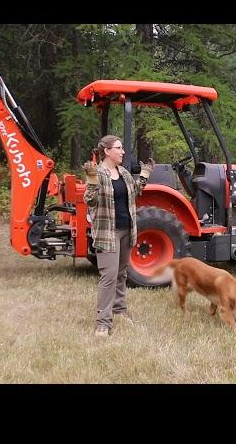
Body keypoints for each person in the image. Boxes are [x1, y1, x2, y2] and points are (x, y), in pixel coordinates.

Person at [83, 135, 155, 337]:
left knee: (122, 273)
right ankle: (103, 323)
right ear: (106, 151)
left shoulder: (122, 172)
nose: (123, 152)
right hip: (108, 232)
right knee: (109, 276)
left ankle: (120, 310)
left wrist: (145, 174)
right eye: (118, 148)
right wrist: (91, 180)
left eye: (122, 148)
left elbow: (135, 191)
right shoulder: (98, 173)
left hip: (126, 230)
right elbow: (90, 200)